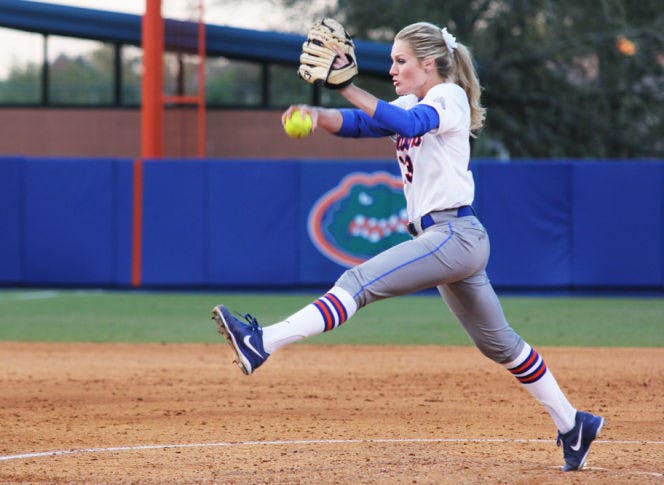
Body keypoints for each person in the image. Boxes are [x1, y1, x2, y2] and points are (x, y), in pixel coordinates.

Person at [211, 21, 603, 472]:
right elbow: (363, 123)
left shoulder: (447, 97)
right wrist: (321, 114)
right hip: (450, 240)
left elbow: (408, 122)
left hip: (454, 234)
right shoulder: (410, 101)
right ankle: (574, 423)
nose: (393, 69)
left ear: (430, 64)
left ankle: (261, 342)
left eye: (401, 61)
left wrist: (348, 86)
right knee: (501, 346)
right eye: (392, 61)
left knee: (357, 281)